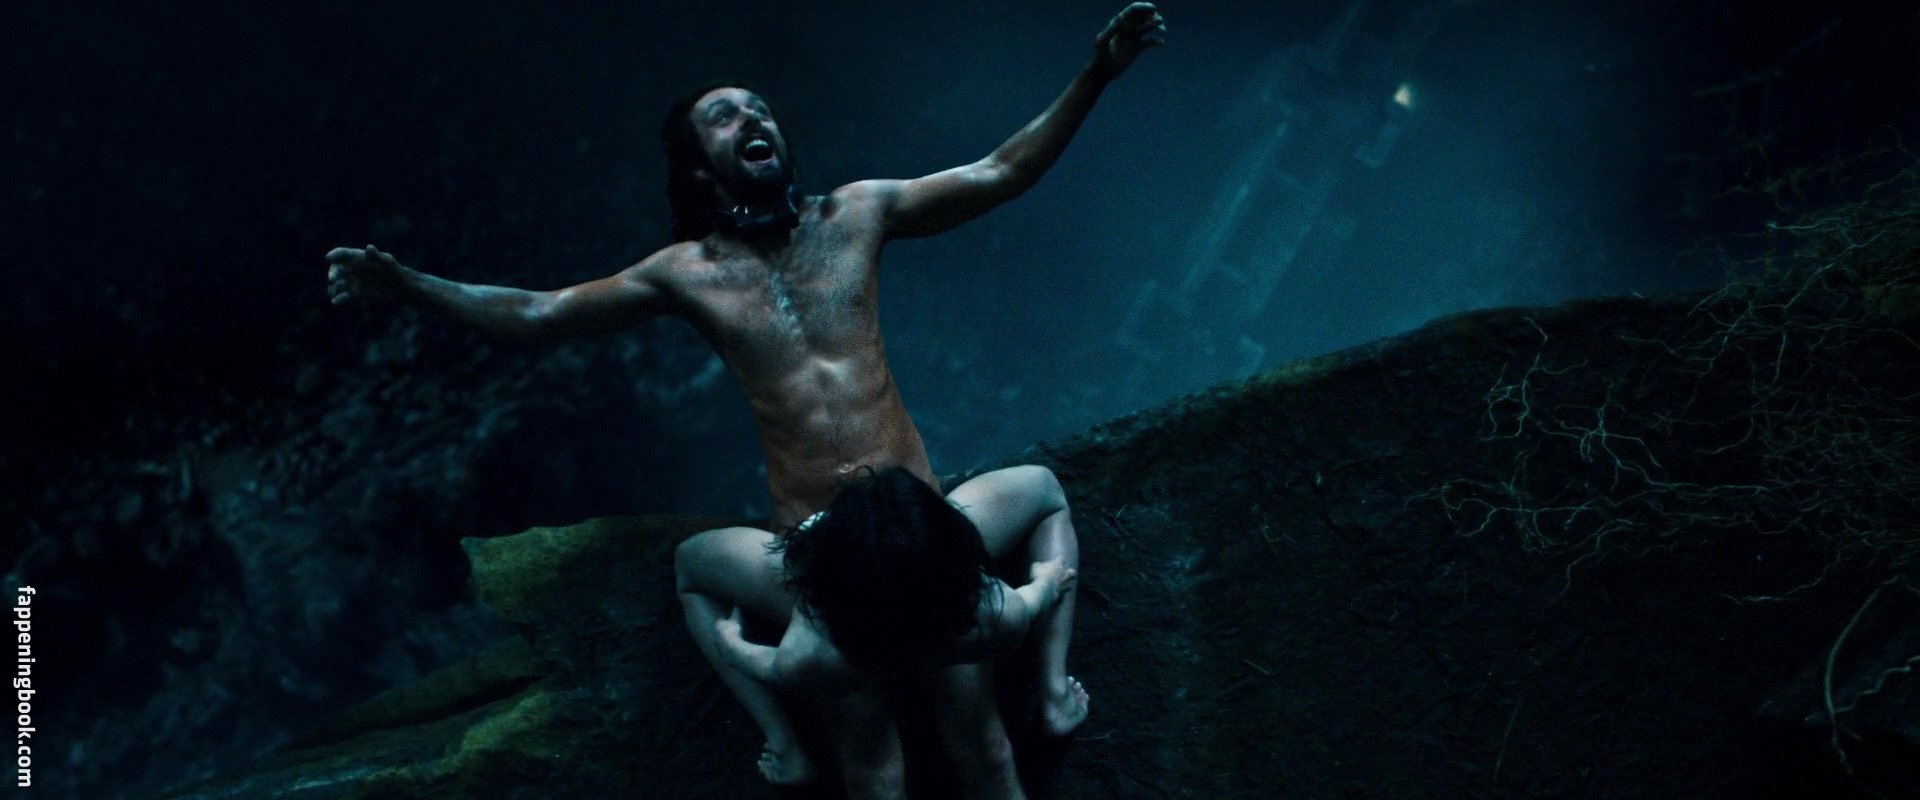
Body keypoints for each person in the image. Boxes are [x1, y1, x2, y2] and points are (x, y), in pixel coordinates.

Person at [324, 4, 1166, 797]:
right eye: (725, 117)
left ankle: (1045, 693)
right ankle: (791, 746)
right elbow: (541, 314)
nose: (752, 119)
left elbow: (1000, 170)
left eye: (759, 109)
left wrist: (1097, 73)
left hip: (920, 533)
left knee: (982, 741)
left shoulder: (857, 213)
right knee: (872, 768)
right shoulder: (686, 274)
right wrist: (411, 285)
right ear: (697, 163)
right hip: (817, 553)